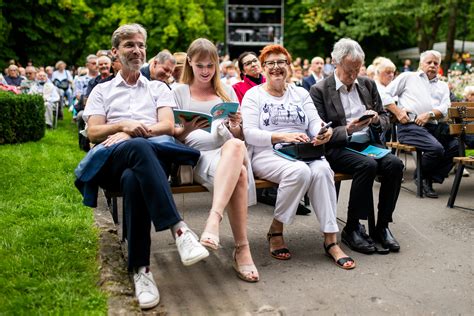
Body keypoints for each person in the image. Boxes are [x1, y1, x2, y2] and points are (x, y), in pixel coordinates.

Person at [75, 24, 209, 309]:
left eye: (140, 45)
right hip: (112, 157)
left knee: (134, 179)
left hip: (150, 159)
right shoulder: (102, 90)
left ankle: (141, 271)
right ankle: (179, 230)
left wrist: (135, 131)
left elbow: (166, 126)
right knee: (136, 149)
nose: (136, 50)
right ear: (115, 52)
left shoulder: (158, 87)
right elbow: (95, 132)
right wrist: (123, 126)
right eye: (129, 45)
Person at [241, 44, 355, 269]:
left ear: (288, 66)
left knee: (323, 171)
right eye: (270, 63)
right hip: (268, 153)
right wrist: (283, 136)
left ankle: (331, 240)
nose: (276, 68)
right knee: (300, 172)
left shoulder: (300, 93)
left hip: (303, 151)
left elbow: (314, 121)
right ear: (263, 68)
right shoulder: (253, 95)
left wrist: (324, 131)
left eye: (281, 62)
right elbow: (249, 133)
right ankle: (276, 229)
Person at [173, 38, 259, 282]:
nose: (205, 71)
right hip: (197, 157)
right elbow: (172, 137)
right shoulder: (178, 91)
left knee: (235, 143)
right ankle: (242, 250)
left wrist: (235, 124)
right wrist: (187, 128)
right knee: (240, 174)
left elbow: (239, 136)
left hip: (227, 151)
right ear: (190, 62)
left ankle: (214, 219)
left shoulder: (226, 91)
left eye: (210, 66)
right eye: (200, 65)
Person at [310, 38, 404, 254]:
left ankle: (382, 226)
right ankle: (352, 226)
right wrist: (348, 130)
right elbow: (319, 131)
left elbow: (384, 116)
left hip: (367, 144)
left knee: (395, 165)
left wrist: (375, 120)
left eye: (357, 69)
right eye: (349, 69)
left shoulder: (367, 84)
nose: (353, 75)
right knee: (367, 166)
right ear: (336, 63)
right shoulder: (320, 90)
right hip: (337, 147)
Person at [385, 50, 458, 198]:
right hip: (410, 126)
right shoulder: (408, 77)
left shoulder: (443, 85)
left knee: (456, 147)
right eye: (429, 62)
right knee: (436, 149)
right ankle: (424, 179)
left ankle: (426, 177)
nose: (432, 65)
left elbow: (445, 107)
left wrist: (429, 114)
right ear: (421, 63)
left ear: (439, 66)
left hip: (434, 126)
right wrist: (398, 112)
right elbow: (384, 95)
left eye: (435, 63)